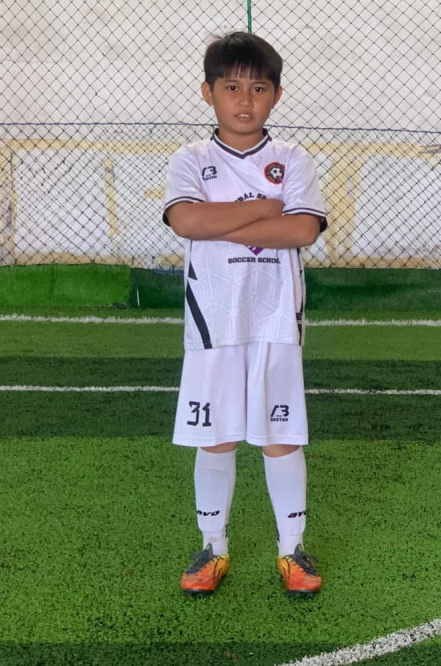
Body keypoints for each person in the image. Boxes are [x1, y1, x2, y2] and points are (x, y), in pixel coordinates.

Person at [162, 32, 328, 598]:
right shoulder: (192, 159)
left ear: (276, 95)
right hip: (213, 320)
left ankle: (292, 550)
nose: (244, 100)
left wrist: (223, 221)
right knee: (216, 438)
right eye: (231, 87)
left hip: (276, 319)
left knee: (281, 436)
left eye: (258, 89)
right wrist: (261, 208)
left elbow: (301, 230)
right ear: (207, 92)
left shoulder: (292, 158)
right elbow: (186, 222)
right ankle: (212, 548)